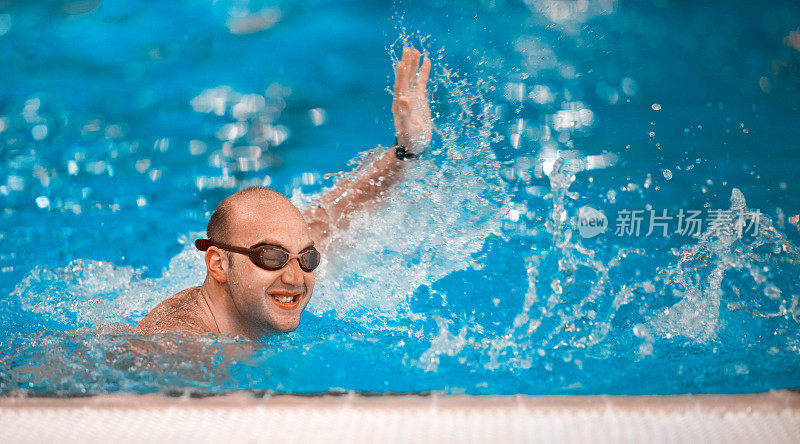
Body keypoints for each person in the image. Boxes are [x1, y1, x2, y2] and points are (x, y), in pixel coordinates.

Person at [135, 46, 432, 339]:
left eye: (308, 259)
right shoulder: (179, 348)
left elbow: (337, 214)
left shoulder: (266, 278)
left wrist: (406, 151)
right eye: (270, 256)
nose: (294, 278)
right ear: (218, 264)